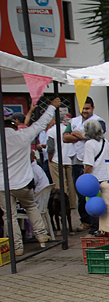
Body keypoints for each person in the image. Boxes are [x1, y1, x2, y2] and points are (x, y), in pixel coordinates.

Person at [1, 100, 56, 255]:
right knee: (31, 206)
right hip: (22, 182)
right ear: (14, 126)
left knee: (9, 216)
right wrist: (51, 106)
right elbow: (41, 123)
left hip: (2, 184)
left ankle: (17, 247)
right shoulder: (23, 135)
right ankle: (41, 235)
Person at [63, 97, 103, 232]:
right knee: (80, 193)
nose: (85, 111)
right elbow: (65, 137)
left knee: (94, 192)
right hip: (76, 160)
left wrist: (75, 134)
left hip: (92, 163)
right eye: (83, 108)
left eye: (87, 108)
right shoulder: (73, 121)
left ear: (93, 108)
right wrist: (83, 135)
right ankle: (85, 220)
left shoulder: (99, 120)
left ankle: (96, 221)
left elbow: (96, 136)